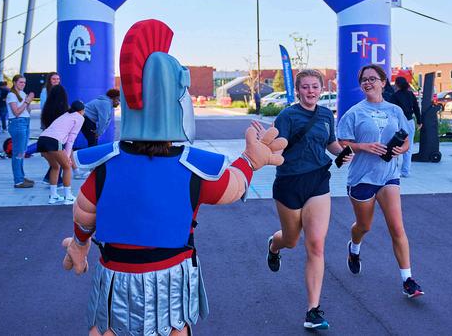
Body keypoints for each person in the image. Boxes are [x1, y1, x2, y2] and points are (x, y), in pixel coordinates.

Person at [60, 19, 286, 336]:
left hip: (114, 276)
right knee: (174, 329)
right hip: (170, 278)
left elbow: (84, 214)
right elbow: (234, 187)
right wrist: (250, 160)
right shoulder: (193, 168)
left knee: (107, 330)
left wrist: (80, 245)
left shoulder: (106, 165)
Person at [257, 69, 352, 330]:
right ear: (298, 90)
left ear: (321, 89)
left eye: (315, 87)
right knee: (291, 239)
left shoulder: (326, 115)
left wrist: (343, 152)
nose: (311, 91)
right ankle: (274, 245)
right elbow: (277, 145)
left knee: (316, 245)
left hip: (318, 181)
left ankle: (312, 311)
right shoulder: (287, 116)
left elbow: (330, 143)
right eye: (306, 87)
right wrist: (265, 144)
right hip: (289, 183)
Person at [337, 64, 424, 298]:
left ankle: (408, 280)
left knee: (397, 227)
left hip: (388, 176)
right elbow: (342, 142)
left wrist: (401, 149)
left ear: (383, 82)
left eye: (373, 78)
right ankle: (354, 247)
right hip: (362, 177)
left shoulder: (395, 110)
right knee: (364, 226)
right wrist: (363, 146)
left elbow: (406, 139)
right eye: (364, 80)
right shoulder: (354, 113)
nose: (368, 82)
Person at [38, 100, 85, 204]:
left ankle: (53, 196)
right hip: (54, 141)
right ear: (81, 111)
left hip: (41, 140)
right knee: (67, 167)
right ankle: (68, 197)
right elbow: (71, 139)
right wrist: (67, 156)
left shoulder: (66, 114)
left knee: (55, 167)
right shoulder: (80, 117)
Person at [389, 76, 422, 177]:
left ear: (397, 84)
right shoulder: (410, 94)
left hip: (398, 122)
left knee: (395, 145)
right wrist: (419, 121)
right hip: (409, 121)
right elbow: (416, 108)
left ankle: (393, 170)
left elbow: (391, 111)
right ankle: (405, 171)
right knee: (409, 146)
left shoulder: (394, 96)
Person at [6, 75, 35, 188]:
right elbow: (16, 112)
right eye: (20, 82)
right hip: (17, 123)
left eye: (24, 82)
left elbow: (27, 111)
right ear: (14, 82)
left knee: (22, 152)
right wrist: (27, 101)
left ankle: (21, 177)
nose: (23, 84)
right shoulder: (11, 95)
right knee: (18, 153)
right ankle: (18, 180)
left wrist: (29, 101)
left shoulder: (22, 94)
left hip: (25, 122)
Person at [40, 84, 70, 185]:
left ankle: (49, 179)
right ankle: (59, 183)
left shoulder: (46, 108)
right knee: (63, 163)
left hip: (46, 137)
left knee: (54, 164)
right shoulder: (63, 109)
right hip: (58, 138)